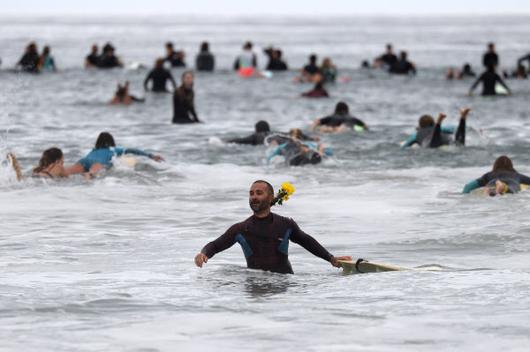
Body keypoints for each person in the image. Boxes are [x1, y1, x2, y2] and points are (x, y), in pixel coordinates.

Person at [194, 180, 351, 274]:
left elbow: (307, 241)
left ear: (270, 198)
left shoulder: (286, 224)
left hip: (285, 284)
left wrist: (331, 258)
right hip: (255, 285)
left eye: (259, 193)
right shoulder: (241, 229)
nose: (254, 197)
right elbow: (216, 245)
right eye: (251, 193)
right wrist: (203, 253)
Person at [65, 132, 163, 177]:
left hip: (84, 160)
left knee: (65, 173)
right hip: (98, 163)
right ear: (111, 142)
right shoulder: (112, 149)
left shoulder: (94, 150)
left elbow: (89, 159)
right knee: (90, 175)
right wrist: (150, 156)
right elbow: (132, 150)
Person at [401, 108, 471, 148]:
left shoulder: (417, 134)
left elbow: (406, 145)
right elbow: (452, 130)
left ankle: (439, 121)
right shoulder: (442, 129)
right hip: (446, 139)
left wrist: (403, 146)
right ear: (432, 122)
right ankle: (463, 118)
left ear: (420, 124)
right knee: (459, 143)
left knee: (433, 144)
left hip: (431, 142)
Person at [462, 156, 530, 195]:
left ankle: (491, 190)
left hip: (493, 181)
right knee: (510, 190)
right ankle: (503, 187)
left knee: (490, 190)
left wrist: (463, 194)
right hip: (512, 182)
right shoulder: (517, 175)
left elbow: (468, 187)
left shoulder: (489, 175)